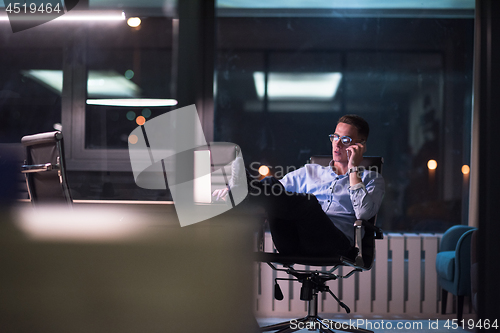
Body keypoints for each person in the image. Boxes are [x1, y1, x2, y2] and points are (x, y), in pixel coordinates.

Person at [214, 114, 384, 258]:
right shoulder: (310, 171)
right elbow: (273, 191)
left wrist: (354, 168)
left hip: (335, 245)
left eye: (345, 140)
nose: (337, 144)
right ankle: (240, 191)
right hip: (292, 241)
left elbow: (363, 213)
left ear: (360, 145)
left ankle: (243, 188)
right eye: (335, 137)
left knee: (309, 202)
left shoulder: (371, 178)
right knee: (273, 185)